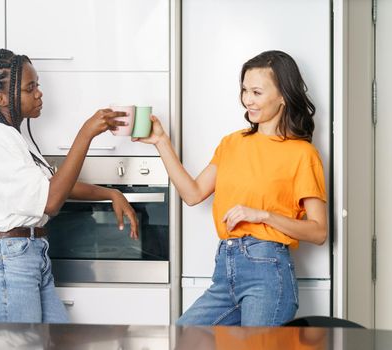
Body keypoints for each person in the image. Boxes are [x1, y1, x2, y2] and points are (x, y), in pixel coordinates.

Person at [134, 50, 327, 326]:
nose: (248, 99)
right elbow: (192, 194)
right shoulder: (232, 143)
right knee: (182, 338)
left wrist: (263, 215)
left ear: (283, 95)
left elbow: (319, 231)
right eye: (245, 90)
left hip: (268, 272)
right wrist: (161, 141)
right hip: (225, 269)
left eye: (257, 92)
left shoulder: (302, 154)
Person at [0, 48, 138, 323]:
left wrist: (110, 193)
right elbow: (52, 200)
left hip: (27, 258)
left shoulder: (13, 138)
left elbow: (53, 186)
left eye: (37, 86)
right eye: (30, 88)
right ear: (0, 98)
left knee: (60, 340)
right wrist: (86, 133)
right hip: (5, 265)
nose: (39, 93)